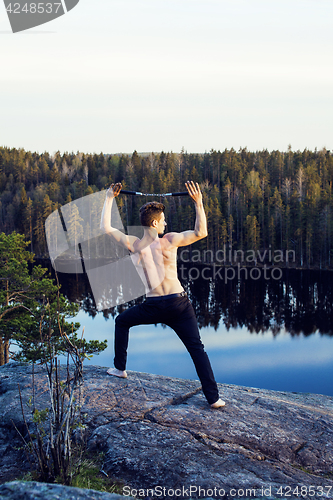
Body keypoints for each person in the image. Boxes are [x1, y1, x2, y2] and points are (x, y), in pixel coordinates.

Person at [100, 181, 225, 408]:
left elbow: (106, 228)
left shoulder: (134, 245)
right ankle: (213, 398)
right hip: (179, 304)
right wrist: (199, 203)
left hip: (154, 305)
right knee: (197, 349)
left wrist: (109, 198)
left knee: (121, 321)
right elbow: (202, 232)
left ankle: (120, 368)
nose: (166, 223)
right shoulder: (170, 241)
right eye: (164, 220)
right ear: (155, 223)